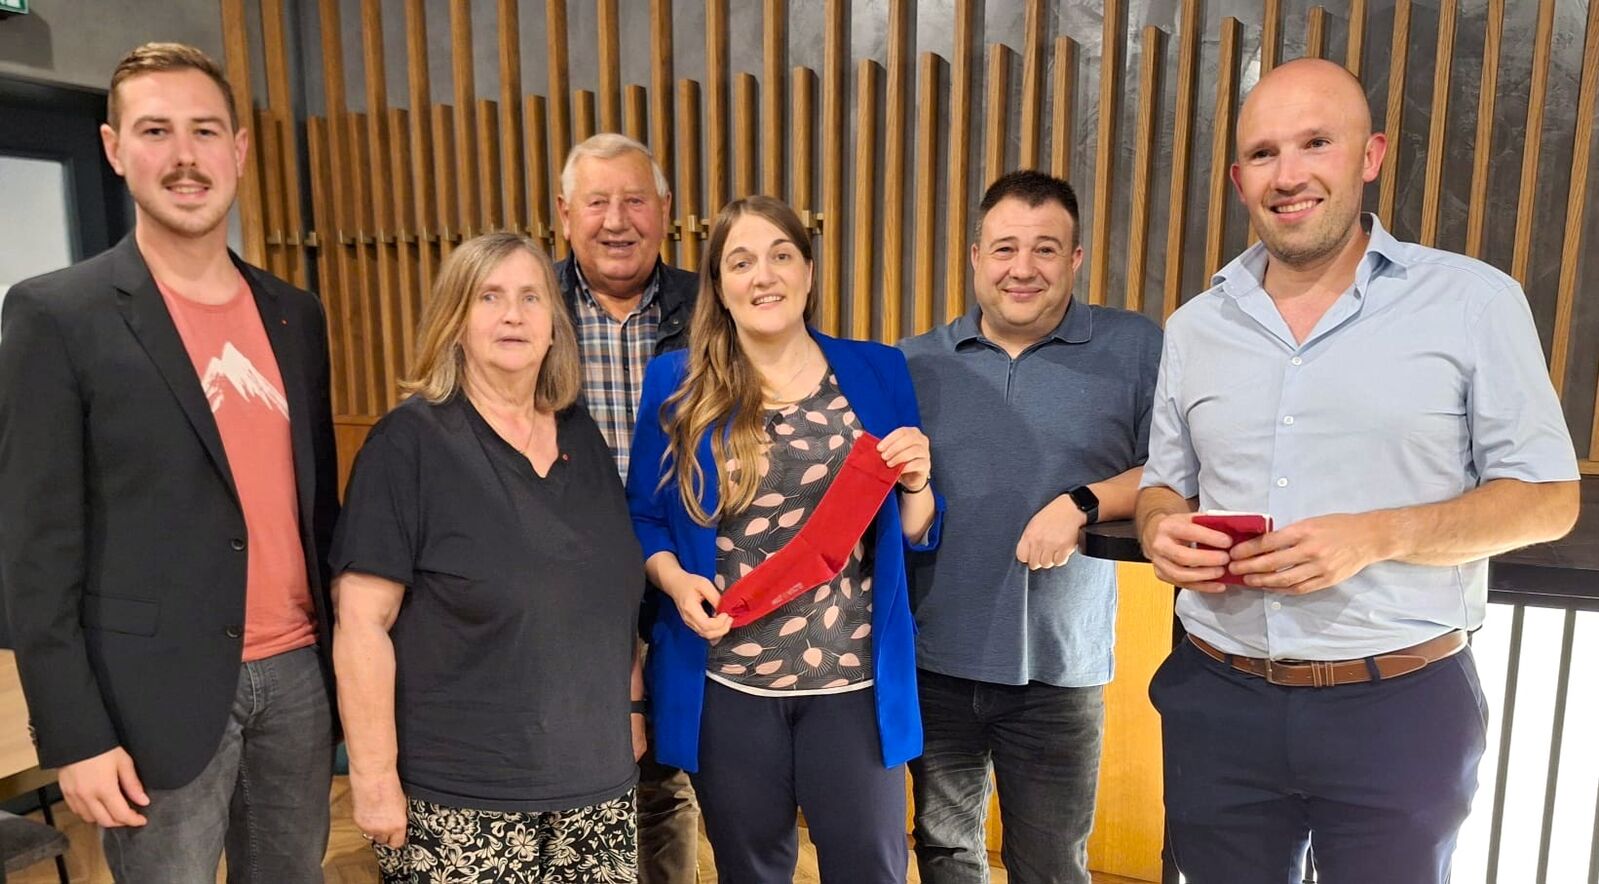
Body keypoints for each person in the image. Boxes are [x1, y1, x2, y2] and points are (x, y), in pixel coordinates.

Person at [1136, 58, 1581, 883]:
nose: (1288, 175)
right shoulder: (1195, 326)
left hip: (1397, 704)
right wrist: (1159, 525)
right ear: (1238, 179)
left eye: (1316, 143)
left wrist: (1378, 535)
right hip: (1216, 696)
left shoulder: (1473, 302)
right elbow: (1164, 481)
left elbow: (1548, 500)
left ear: (1369, 155)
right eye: (1263, 153)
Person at [0, 43, 339, 882]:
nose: (185, 156)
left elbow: (316, 509)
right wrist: (75, 734)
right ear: (114, 148)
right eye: (156, 131)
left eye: (205, 131)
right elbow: (34, 551)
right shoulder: (57, 315)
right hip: (151, 694)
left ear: (239, 150)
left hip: (298, 676)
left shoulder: (295, 315)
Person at [627, 195, 940, 883]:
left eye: (780, 255)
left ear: (808, 270)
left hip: (852, 683)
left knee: (872, 869)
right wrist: (674, 581)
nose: (763, 275)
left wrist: (918, 484)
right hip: (726, 684)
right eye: (740, 262)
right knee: (751, 872)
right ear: (718, 284)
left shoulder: (878, 370)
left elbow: (914, 531)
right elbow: (643, 517)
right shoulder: (675, 381)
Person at [331, 233, 646, 883]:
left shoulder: (581, 434)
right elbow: (362, 623)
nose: (513, 315)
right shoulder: (407, 444)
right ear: (455, 320)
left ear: (554, 325)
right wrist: (373, 776)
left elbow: (611, 599)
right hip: (462, 794)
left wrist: (632, 709)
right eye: (489, 297)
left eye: (531, 298)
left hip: (596, 784)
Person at [899, 170, 1162, 884]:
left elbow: (1177, 470)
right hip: (934, 661)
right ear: (975, 256)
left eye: (1045, 249)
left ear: (1074, 259)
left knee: (1049, 864)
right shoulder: (913, 362)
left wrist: (1082, 502)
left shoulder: (1135, 348)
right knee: (946, 854)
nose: (1022, 268)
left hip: (1059, 668)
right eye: (1005, 248)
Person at [553, 133, 701, 883]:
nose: (617, 220)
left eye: (634, 200)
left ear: (665, 210)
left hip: (684, 573)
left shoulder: (713, 308)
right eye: (597, 202)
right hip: (562, 583)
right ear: (564, 213)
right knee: (567, 770)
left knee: (666, 777)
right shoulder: (529, 308)